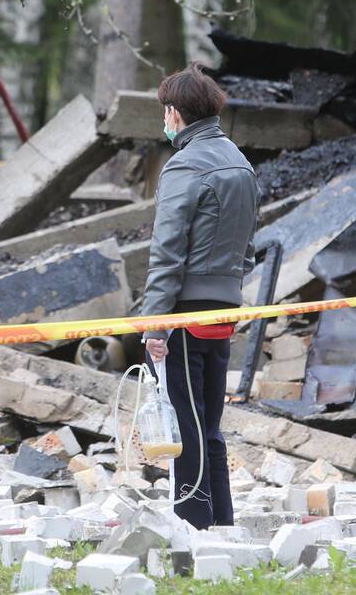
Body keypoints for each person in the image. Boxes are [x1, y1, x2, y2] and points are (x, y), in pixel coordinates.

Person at [141, 64, 258, 529]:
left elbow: (166, 252)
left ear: (175, 112)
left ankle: (192, 528)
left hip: (184, 314)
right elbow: (248, 244)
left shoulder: (185, 165)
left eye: (165, 112)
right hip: (225, 308)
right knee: (209, 425)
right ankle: (222, 526)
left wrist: (154, 324)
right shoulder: (239, 161)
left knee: (184, 425)